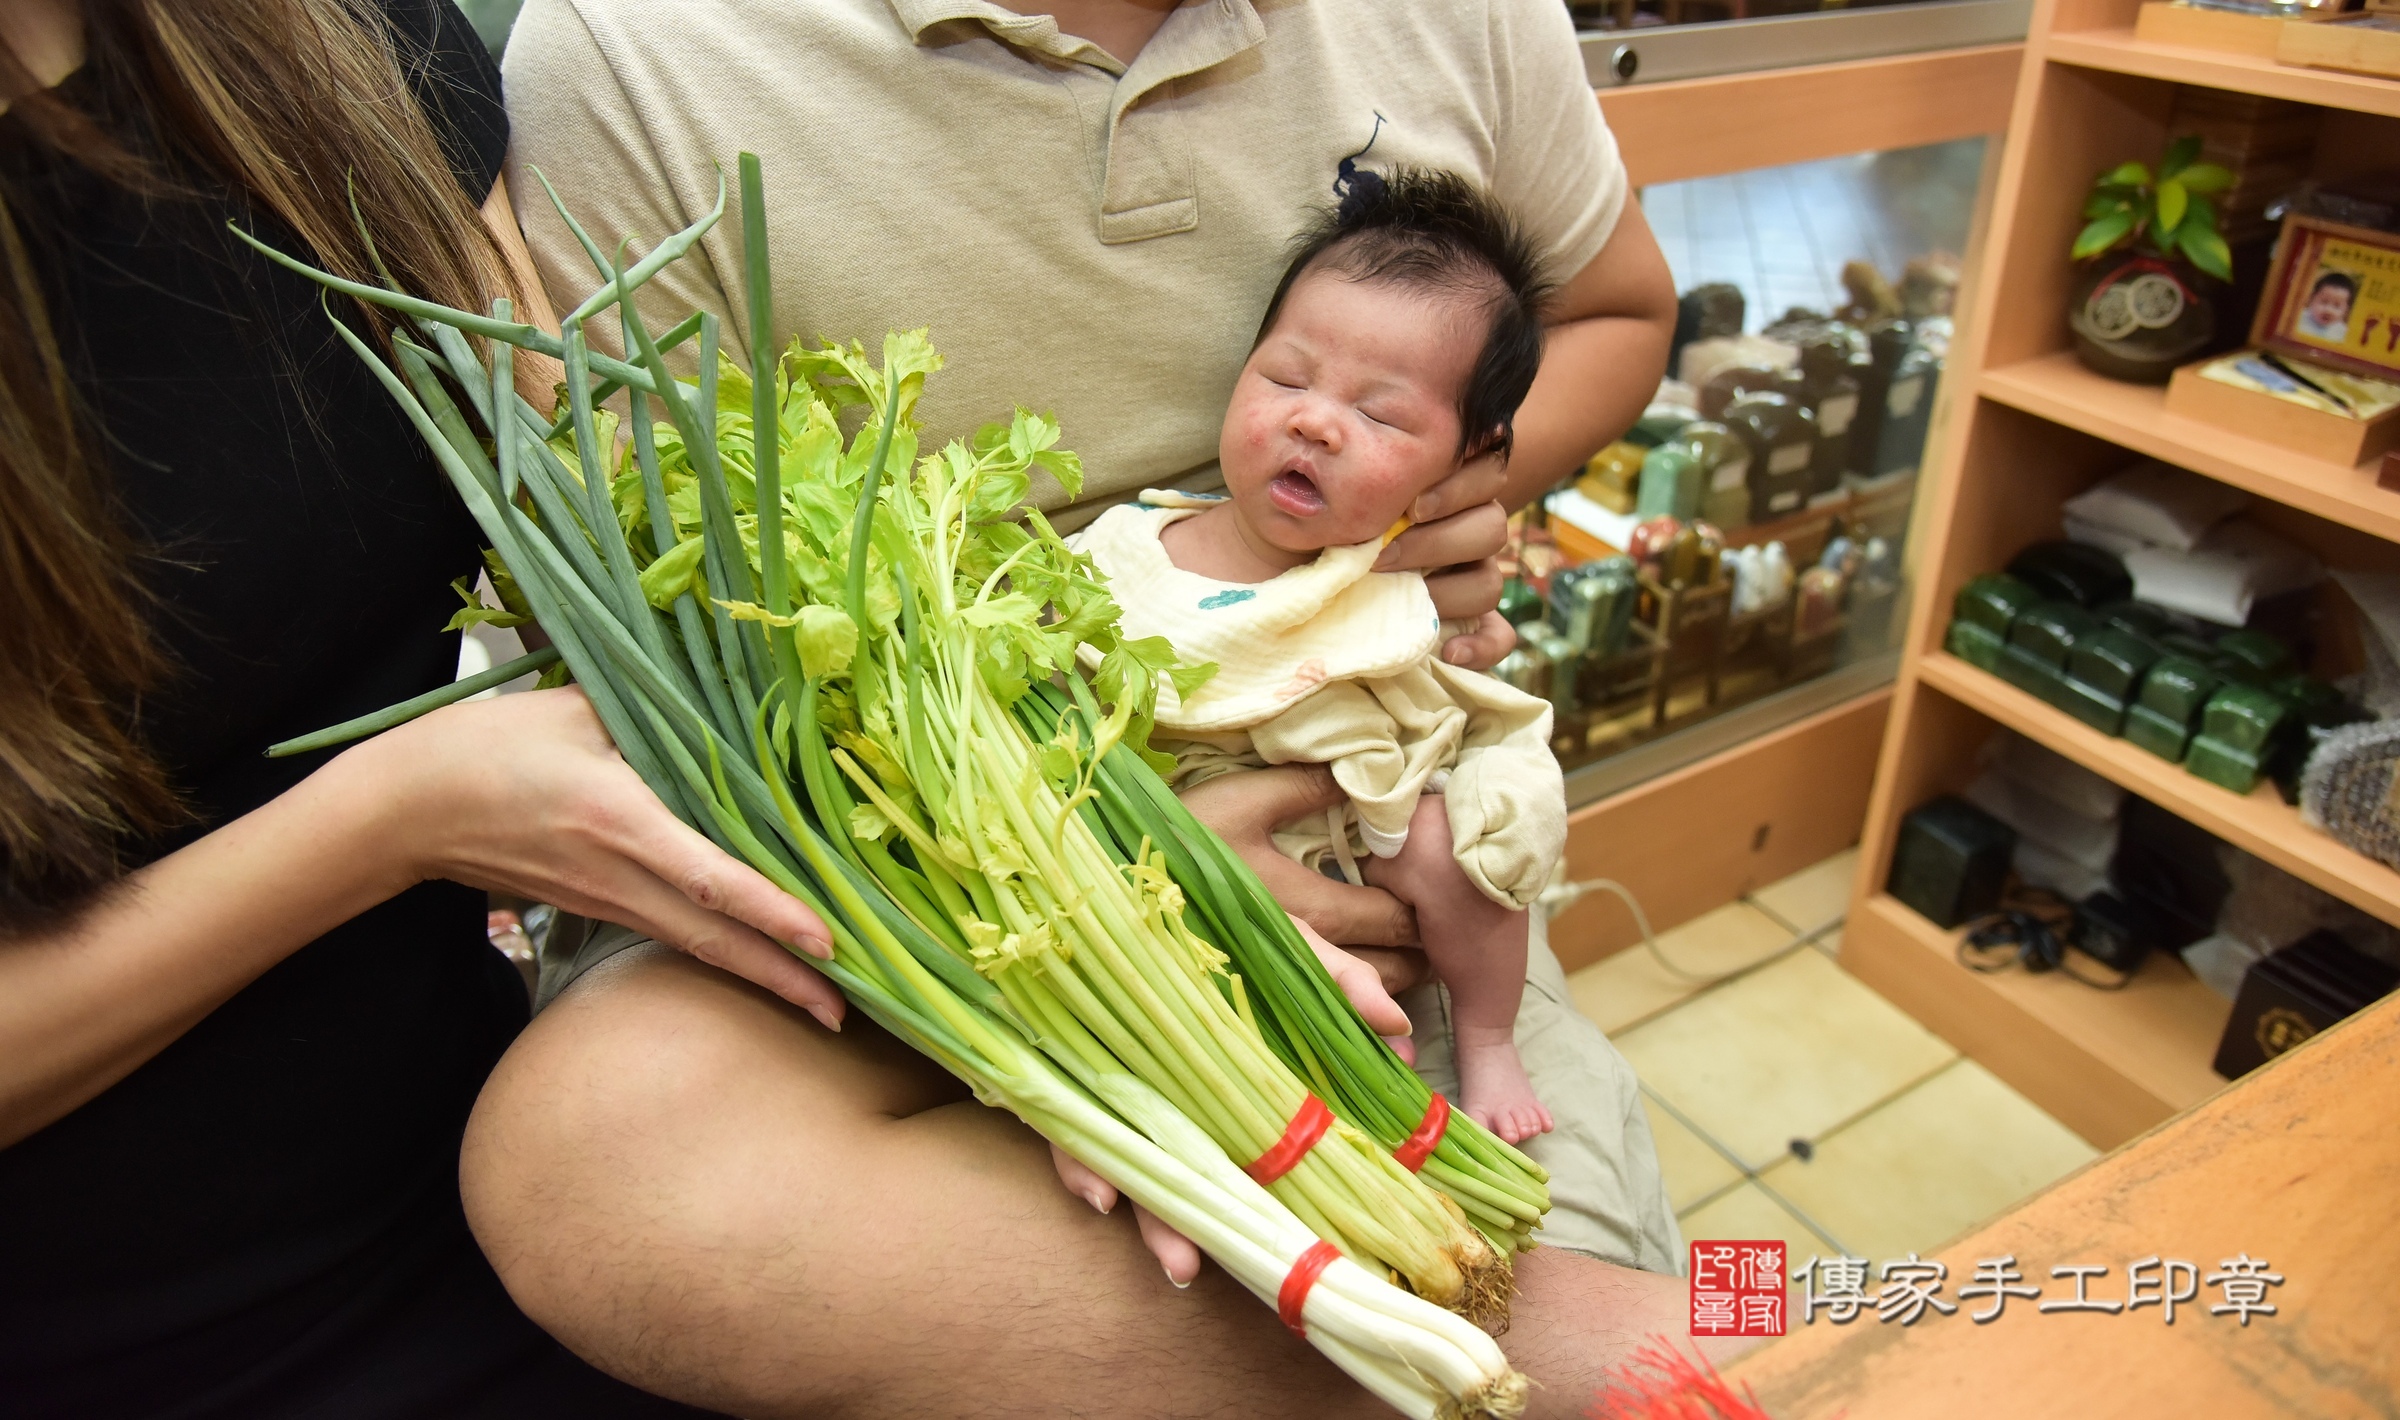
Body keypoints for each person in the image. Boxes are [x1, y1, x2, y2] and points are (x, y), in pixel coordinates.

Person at [475, 2, 1721, 1415]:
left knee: (1629, 1297)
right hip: (918, 855)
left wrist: (1404, 518)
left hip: (1351, 835)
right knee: (592, 1164)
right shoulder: (630, 51)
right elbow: (638, 593)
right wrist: (1122, 897)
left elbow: (1617, 308)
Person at [0, 1, 848, 1413]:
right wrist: (393, 819)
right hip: (115, 1336)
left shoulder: (306, 38)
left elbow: (587, 471)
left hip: (486, 1167)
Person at [1078, 169, 1570, 1143]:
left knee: (1459, 851)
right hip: (1182, 846)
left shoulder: (1391, 573)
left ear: (1464, 462)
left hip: (1374, 816)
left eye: (1383, 416)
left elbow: (1457, 686)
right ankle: (1339, 1042)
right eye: (1286, 378)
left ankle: (1484, 1032)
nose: (1315, 419)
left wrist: (1464, 637)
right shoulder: (1127, 547)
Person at [2296, 269, 2356, 344]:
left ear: (2346, 310)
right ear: (2311, 299)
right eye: (2324, 302)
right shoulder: (2298, 318)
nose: (2328, 310)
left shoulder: (2342, 333)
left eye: (2336, 306)